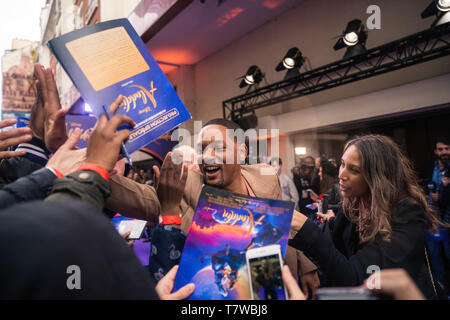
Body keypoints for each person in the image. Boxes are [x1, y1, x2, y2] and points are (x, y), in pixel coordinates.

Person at [105, 118, 320, 298]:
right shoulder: (187, 183)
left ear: (241, 152)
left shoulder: (265, 177)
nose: (208, 156)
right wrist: (96, 170)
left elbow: (286, 219)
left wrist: (307, 263)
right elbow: (141, 198)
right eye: (202, 149)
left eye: (218, 147)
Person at [289, 134, 445, 299]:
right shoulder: (354, 207)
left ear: (377, 175)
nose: (341, 175)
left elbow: (357, 280)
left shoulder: (406, 214)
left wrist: (308, 230)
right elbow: (332, 237)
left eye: (354, 169)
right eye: (342, 164)